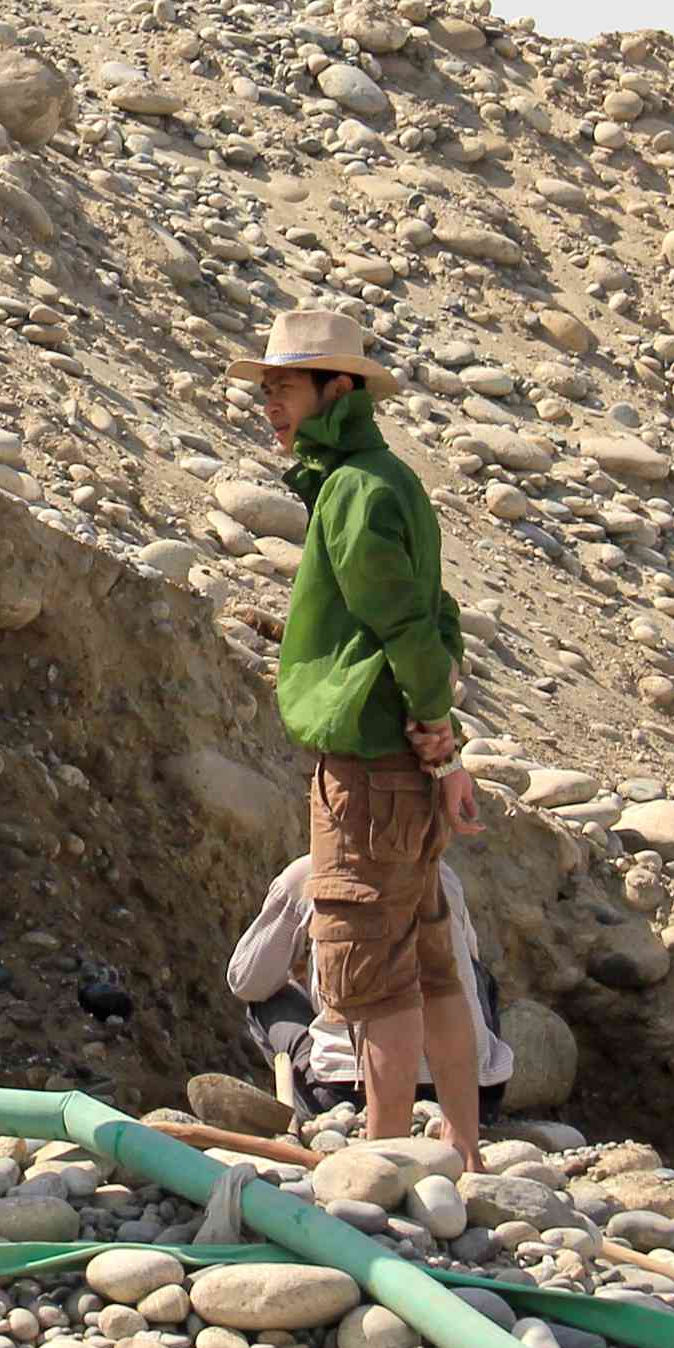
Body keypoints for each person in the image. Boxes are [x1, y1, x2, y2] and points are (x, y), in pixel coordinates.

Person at [244, 307, 484, 1148]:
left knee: (372, 972)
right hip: (400, 764)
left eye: (286, 389)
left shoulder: (354, 489)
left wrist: (434, 725)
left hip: (368, 766)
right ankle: (460, 1149)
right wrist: (440, 742)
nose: (272, 405)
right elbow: (432, 617)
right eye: (266, 389)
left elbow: (405, 626)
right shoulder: (386, 480)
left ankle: (380, 1158)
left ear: (336, 390)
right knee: (429, 961)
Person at [210, 852, 512, 1134]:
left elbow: (246, 981)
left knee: (268, 1002)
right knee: (474, 977)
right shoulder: (442, 873)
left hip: (351, 1093)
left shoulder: (309, 873)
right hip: (475, 1098)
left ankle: (322, 1117)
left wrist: (299, 971)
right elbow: (470, 968)